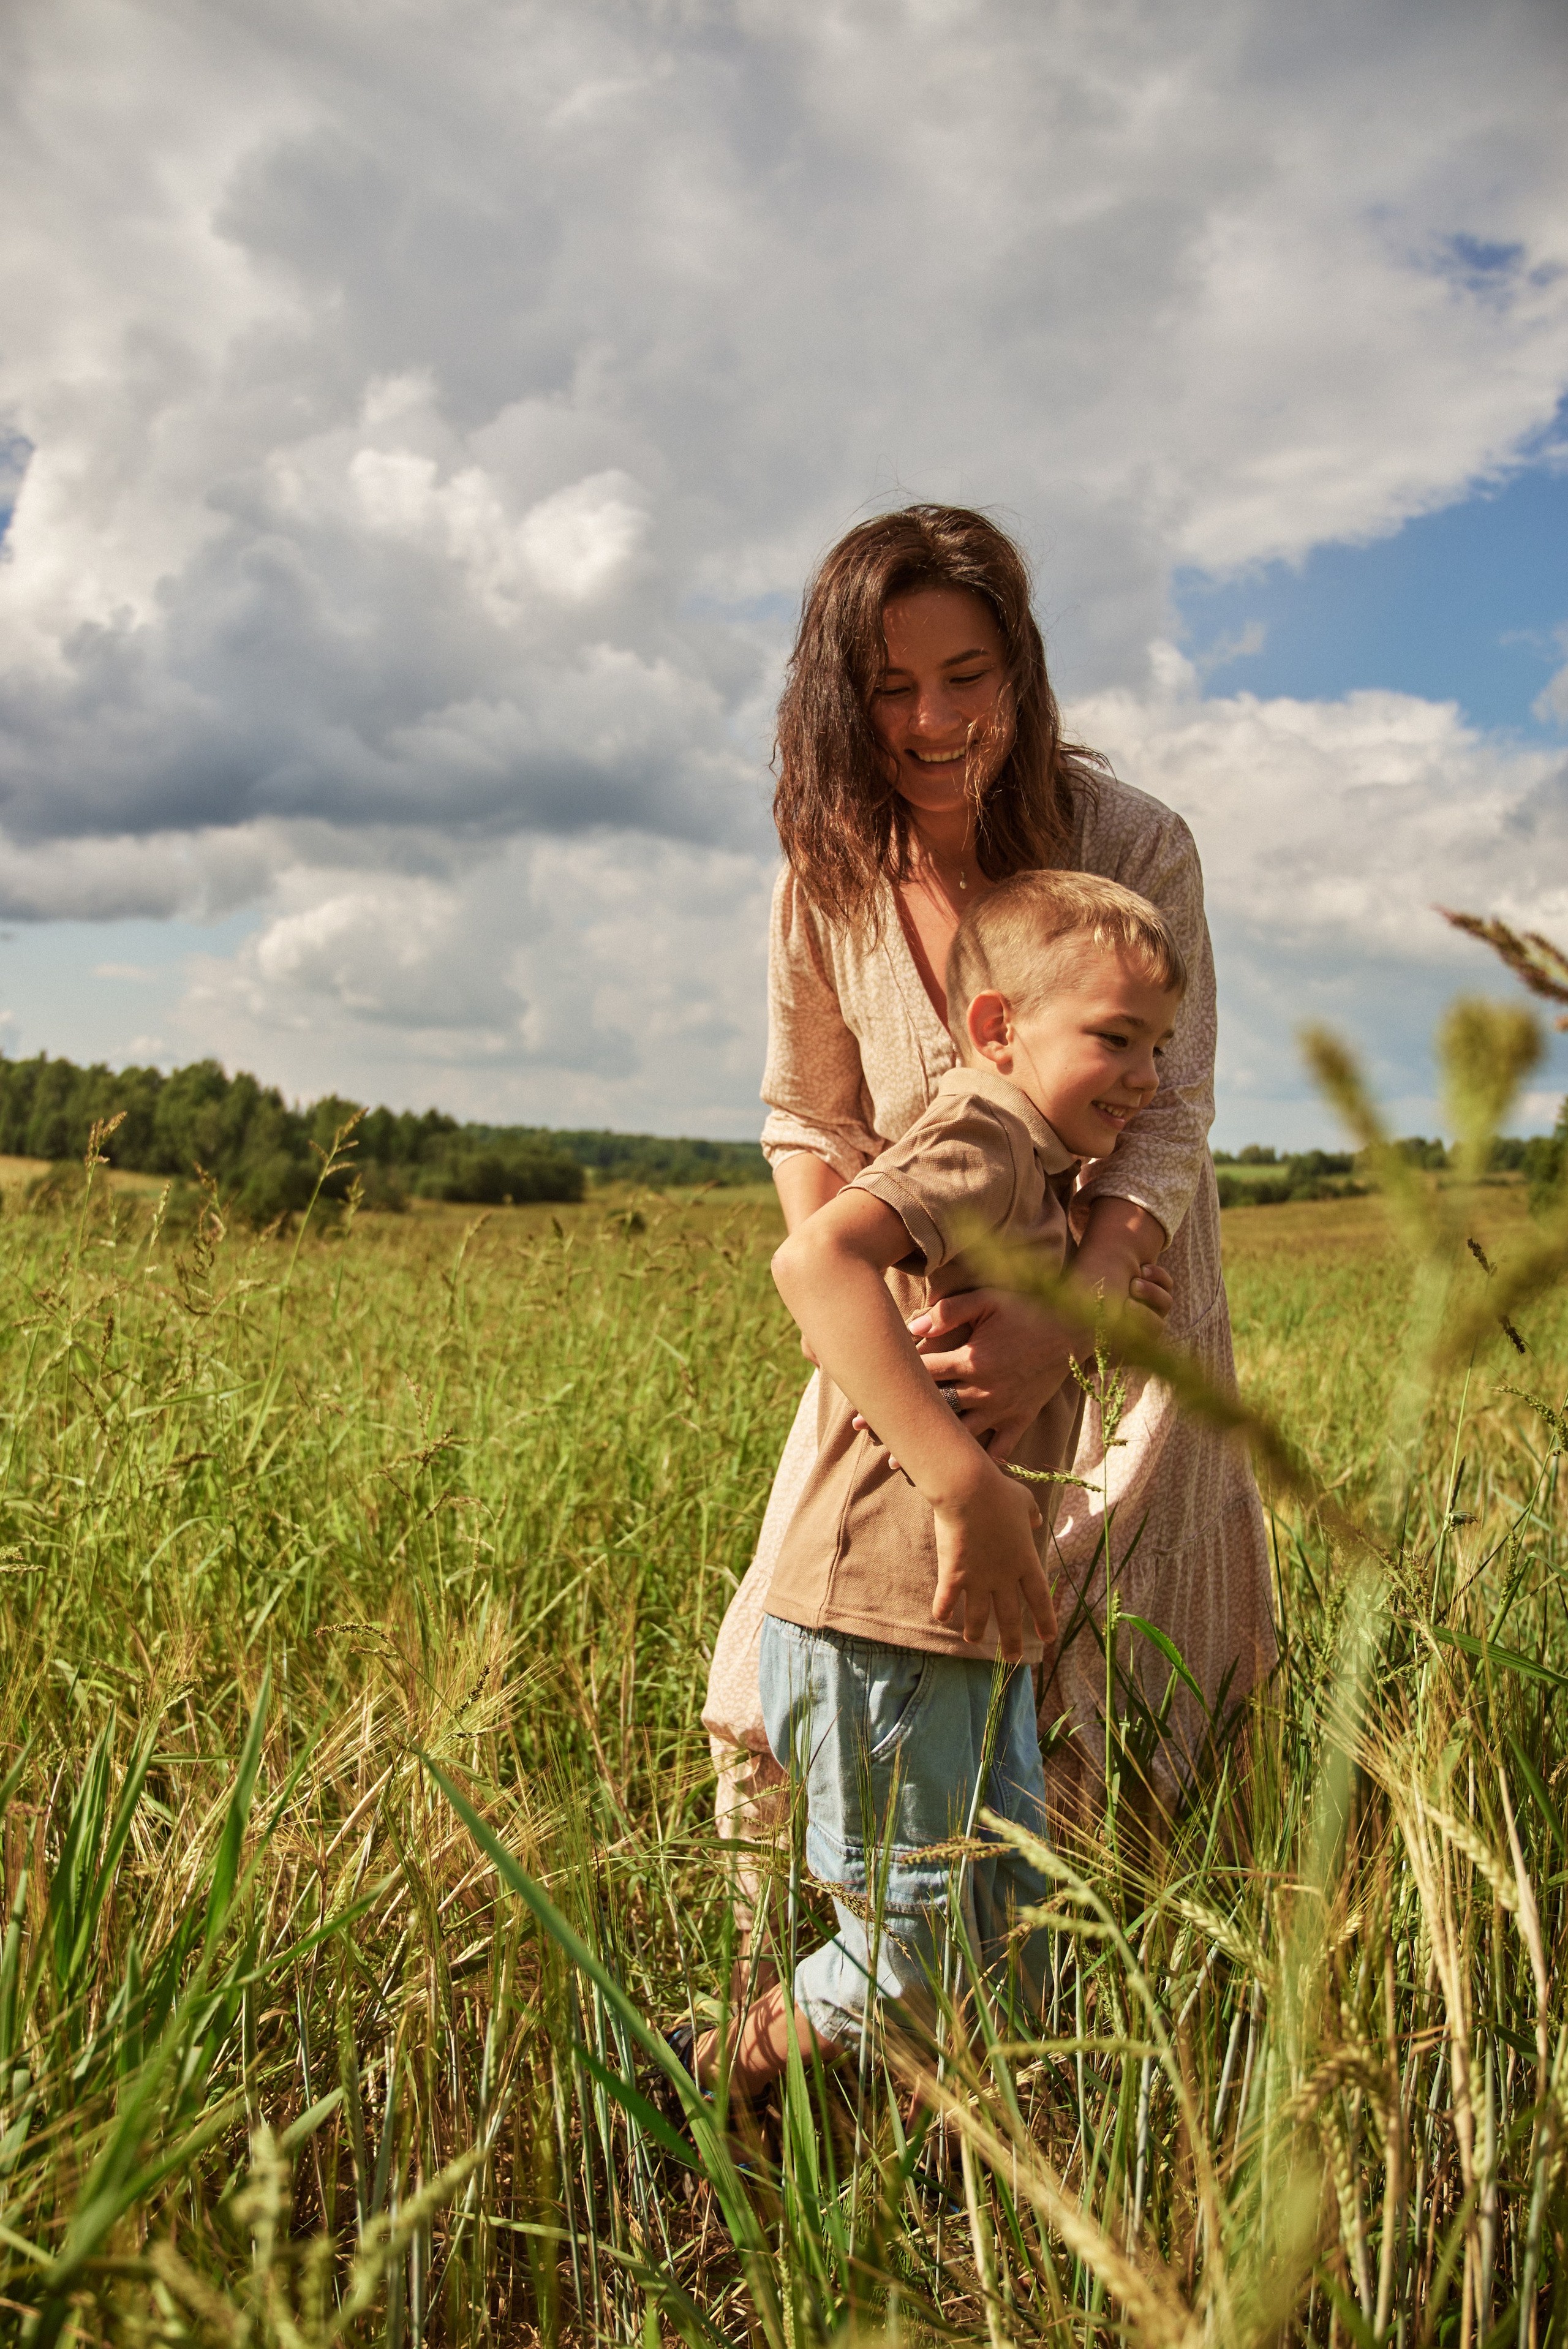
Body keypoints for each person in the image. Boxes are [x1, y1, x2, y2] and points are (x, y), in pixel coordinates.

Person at [701, 503, 1277, 1945]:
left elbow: (1167, 1108)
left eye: (964, 675)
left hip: (1117, 1329)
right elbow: (806, 1118)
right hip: (917, 1333)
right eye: (890, 686)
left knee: (1109, 1729)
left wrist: (1058, 1313)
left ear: (1017, 672)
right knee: (805, 1685)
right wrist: (884, 1342)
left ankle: (1056, 2061)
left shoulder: (1133, 841)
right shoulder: (825, 875)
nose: (932, 718)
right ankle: (837, 2037)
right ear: (841, 701)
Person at [687, 872, 1186, 2094]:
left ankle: (862, 2149)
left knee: (1003, 1932)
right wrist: (966, 1486)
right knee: (912, 1954)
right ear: (995, 1029)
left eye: (1158, 1045)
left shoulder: (1033, 1166)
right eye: (1112, 1038)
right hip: (881, 1613)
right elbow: (815, 1260)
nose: (1143, 1075)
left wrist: (1090, 1287)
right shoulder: (975, 1131)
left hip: (954, 1612)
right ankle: (698, 2073)